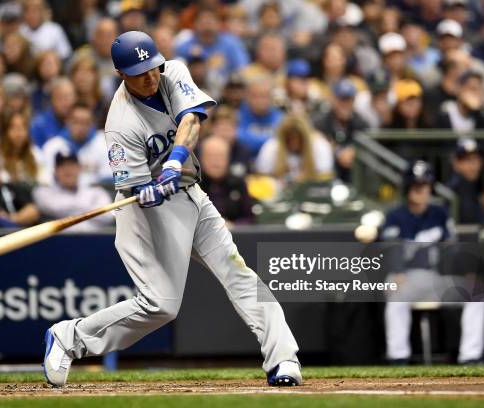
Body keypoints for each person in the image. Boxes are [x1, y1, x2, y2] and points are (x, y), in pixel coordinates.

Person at [43, 31, 301, 388]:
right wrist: (148, 190)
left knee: (238, 272)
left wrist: (174, 161)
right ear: (120, 74)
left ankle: (283, 359)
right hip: (144, 211)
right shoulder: (120, 123)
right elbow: (135, 188)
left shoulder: (173, 72)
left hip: (189, 190)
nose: (150, 77)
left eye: (152, 67)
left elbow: (191, 120)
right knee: (162, 305)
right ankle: (68, 337)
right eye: (139, 72)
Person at [380, 160, 484, 365]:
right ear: (408, 187)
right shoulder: (395, 216)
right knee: (394, 288)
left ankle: (470, 356)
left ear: (431, 187)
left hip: (436, 279)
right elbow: (389, 250)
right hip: (407, 279)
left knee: (478, 291)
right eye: (415, 185)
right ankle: (398, 356)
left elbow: (452, 250)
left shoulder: (440, 214)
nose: (420, 189)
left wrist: (466, 272)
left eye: (424, 185)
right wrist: (396, 271)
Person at [33, 152, 113, 232]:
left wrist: (70, 210)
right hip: (59, 240)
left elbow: (108, 216)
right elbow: (51, 209)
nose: (68, 170)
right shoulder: (44, 192)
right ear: (55, 171)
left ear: (79, 168)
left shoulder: (96, 192)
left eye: (72, 165)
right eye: (62, 166)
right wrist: (88, 209)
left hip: (95, 239)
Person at [42, 103, 111, 186]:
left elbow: (108, 178)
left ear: (92, 123)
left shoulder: (103, 143)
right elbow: (47, 180)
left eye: (86, 122)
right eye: (76, 122)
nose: (81, 127)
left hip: (94, 194)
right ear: (67, 121)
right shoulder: (53, 146)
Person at [255, 114, 334, 184]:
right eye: (289, 140)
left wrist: (306, 179)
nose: (294, 145)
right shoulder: (271, 147)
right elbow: (261, 179)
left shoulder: (320, 146)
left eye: (298, 140)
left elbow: (325, 180)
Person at [199, 136, 254, 225]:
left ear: (229, 159)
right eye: (211, 156)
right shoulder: (194, 185)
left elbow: (250, 219)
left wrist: (233, 226)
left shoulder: (238, 183)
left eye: (220, 156)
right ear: (201, 158)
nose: (215, 161)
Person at [237, 78, 284, 156]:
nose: (260, 101)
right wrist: (269, 142)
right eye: (256, 96)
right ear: (247, 96)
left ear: (271, 97)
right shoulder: (238, 115)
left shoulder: (280, 118)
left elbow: (282, 143)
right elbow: (240, 140)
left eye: (264, 96)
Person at [0, 111, 46, 185]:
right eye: (13, 128)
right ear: (5, 131)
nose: (18, 133)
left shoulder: (36, 155)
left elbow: (43, 182)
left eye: (22, 128)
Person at [447, 138, 484, 224]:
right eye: (468, 160)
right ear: (456, 163)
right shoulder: (457, 186)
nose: (474, 165)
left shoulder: (476, 184)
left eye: (477, 159)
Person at [30, 77, 76, 147]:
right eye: (60, 98)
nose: (65, 102)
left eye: (68, 96)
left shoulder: (82, 119)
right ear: (52, 100)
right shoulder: (39, 125)